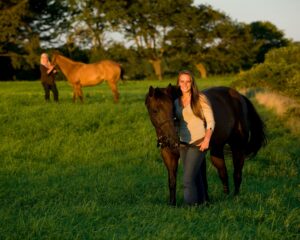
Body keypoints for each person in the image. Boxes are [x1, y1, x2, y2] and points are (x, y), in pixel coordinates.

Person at [174, 70, 215, 206]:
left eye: (188, 81)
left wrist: (207, 139)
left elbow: (210, 121)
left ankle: (190, 207)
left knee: (187, 179)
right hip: (183, 143)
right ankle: (203, 202)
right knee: (195, 175)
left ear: (192, 83)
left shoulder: (200, 98)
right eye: (182, 81)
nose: (185, 84)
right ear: (178, 83)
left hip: (199, 142)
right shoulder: (175, 101)